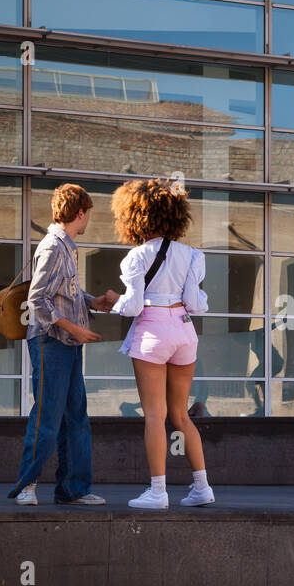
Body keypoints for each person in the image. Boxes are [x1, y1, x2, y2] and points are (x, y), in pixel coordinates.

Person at [8, 183, 115, 508]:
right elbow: (37, 300)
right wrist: (75, 329)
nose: (88, 222)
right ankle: (27, 485)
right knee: (48, 417)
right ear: (80, 212)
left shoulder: (67, 246)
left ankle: (74, 489)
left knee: (76, 417)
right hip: (51, 343)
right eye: (88, 215)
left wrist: (94, 302)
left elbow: (65, 292)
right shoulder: (54, 246)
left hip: (67, 343)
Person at [111, 178, 212, 510]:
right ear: (176, 216)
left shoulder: (136, 257)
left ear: (135, 216)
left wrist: (114, 302)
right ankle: (202, 487)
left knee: (155, 415)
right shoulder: (192, 255)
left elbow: (133, 306)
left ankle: (158, 492)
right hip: (184, 331)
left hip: (152, 331)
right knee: (181, 415)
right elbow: (197, 304)